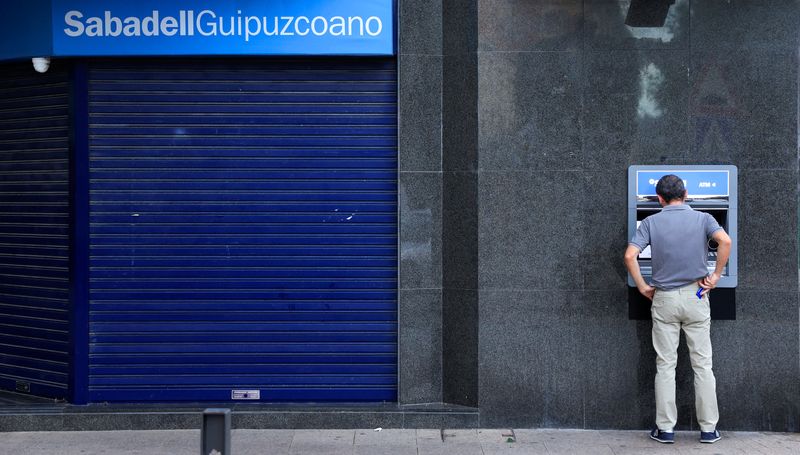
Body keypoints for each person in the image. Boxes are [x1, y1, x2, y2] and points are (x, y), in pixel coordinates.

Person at [623, 174, 732, 444]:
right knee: (703, 365)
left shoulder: (650, 221)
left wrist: (642, 285)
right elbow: (726, 242)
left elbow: (629, 255)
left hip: (665, 299)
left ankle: (666, 429)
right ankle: (709, 430)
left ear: (659, 199)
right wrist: (716, 275)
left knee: (665, 365)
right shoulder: (704, 218)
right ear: (685, 194)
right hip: (697, 294)